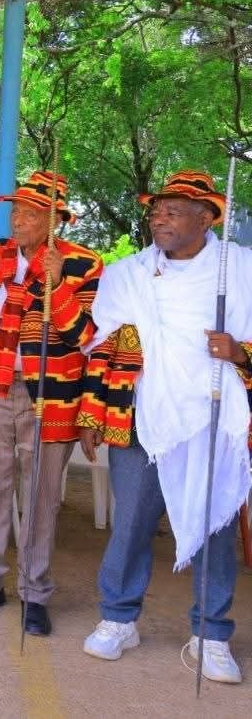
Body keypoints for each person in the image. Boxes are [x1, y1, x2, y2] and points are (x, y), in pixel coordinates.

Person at [79, 170, 251, 685]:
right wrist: (91, 414)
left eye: (173, 211)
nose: (159, 218)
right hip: (142, 414)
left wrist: (239, 352)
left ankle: (211, 635)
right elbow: (101, 344)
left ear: (206, 219)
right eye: (156, 211)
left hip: (212, 416)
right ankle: (118, 618)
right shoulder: (126, 275)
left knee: (214, 523)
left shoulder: (240, 271)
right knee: (131, 520)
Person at [0, 172, 102, 636]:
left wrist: (56, 286)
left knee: (41, 494)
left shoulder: (84, 265)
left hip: (52, 391)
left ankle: (35, 593)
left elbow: (86, 338)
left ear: (56, 220)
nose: (18, 220)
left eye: (31, 214)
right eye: (15, 211)